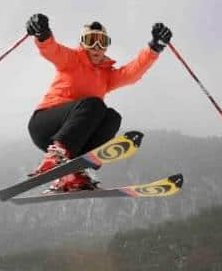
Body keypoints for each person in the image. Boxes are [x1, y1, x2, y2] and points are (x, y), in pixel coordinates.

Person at [25, 14, 172, 191]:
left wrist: (154, 48)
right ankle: (57, 155)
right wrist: (42, 34)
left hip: (74, 135)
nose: (97, 47)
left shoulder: (106, 75)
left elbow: (131, 73)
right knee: (94, 105)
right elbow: (52, 50)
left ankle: (74, 171)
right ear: (83, 43)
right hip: (45, 124)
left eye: (102, 42)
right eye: (91, 40)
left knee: (111, 117)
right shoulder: (72, 60)